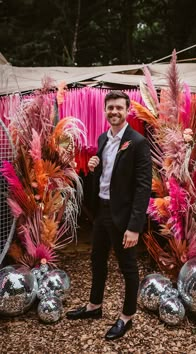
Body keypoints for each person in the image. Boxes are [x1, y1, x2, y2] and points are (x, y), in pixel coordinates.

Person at [66, 90, 152, 340]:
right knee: (97, 260)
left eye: (119, 108)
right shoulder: (103, 138)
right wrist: (94, 167)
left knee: (128, 267)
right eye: (110, 108)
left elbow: (142, 186)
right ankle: (94, 306)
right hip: (102, 211)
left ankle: (127, 317)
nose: (114, 111)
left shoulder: (137, 142)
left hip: (124, 215)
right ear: (105, 111)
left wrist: (135, 226)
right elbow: (107, 176)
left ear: (127, 111)